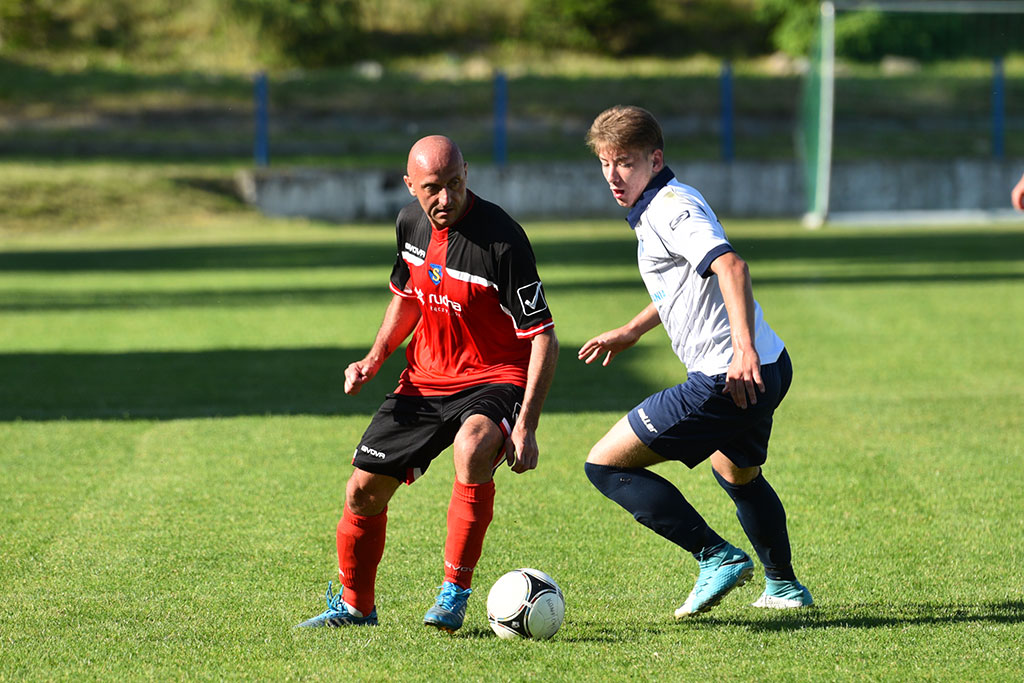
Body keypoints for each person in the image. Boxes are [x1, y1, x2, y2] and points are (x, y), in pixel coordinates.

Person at [297, 135, 558, 632]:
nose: (446, 199)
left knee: (474, 446)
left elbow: (543, 336)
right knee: (361, 493)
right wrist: (374, 358)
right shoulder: (409, 224)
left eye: (456, 184)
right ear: (410, 186)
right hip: (425, 379)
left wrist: (526, 426)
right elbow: (408, 295)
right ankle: (355, 607)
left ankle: (454, 592)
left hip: (494, 376)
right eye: (433, 188)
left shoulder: (503, 239)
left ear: (467, 174)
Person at [578, 105, 812, 617]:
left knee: (604, 464)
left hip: (728, 376)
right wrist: (632, 329)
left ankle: (715, 557)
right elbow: (685, 281)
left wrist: (741, 350)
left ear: (654, 159)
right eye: (605, 163)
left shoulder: (669, 207)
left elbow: (731, 265)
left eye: (625, 163)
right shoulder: (659, 202)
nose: (613, 176)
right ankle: (785, 588)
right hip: (768, 368)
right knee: (738, 475)